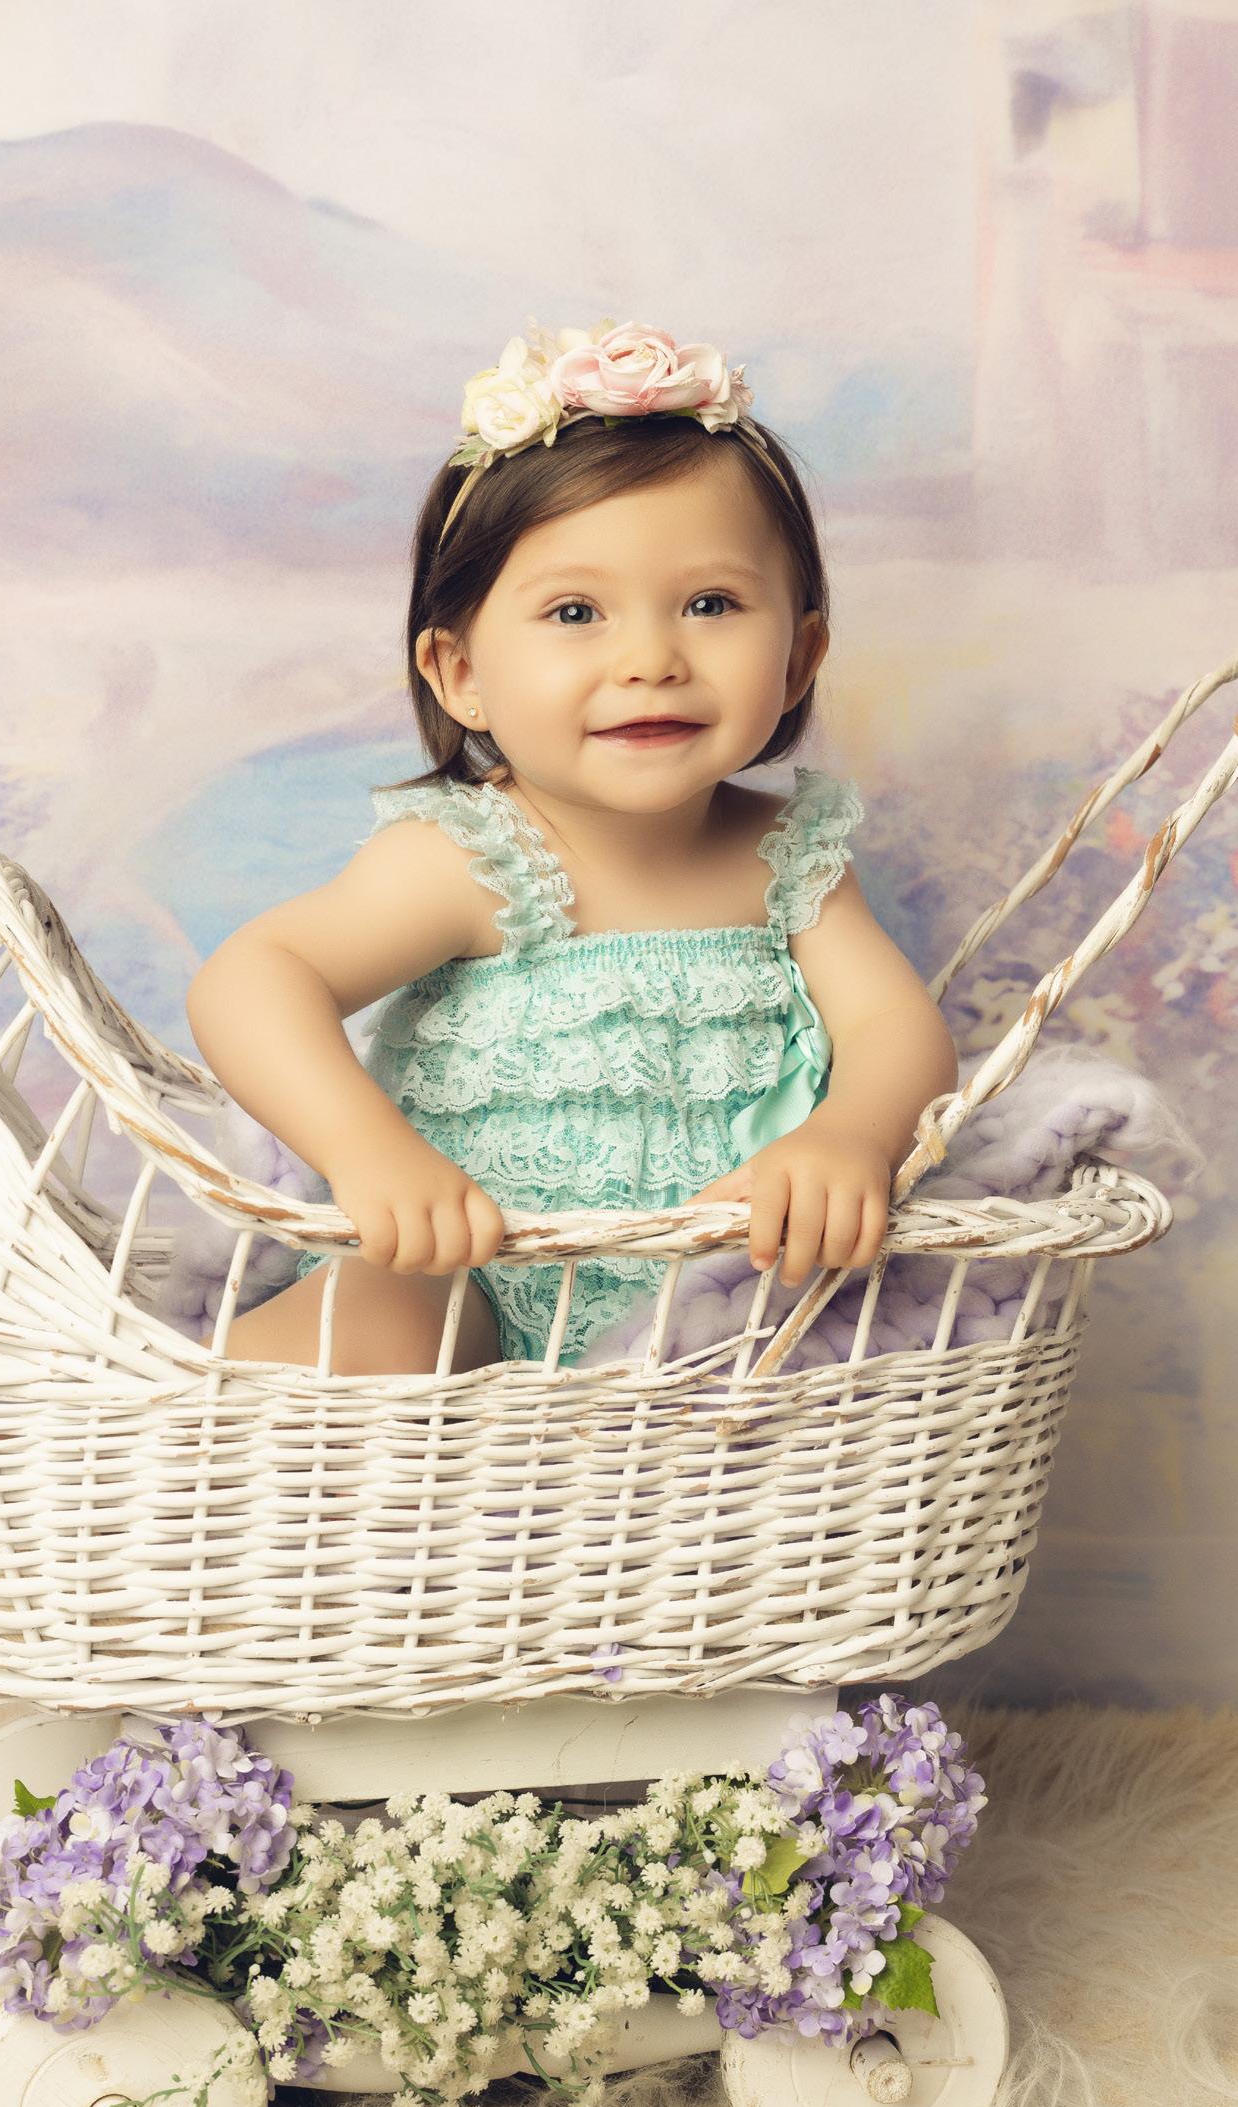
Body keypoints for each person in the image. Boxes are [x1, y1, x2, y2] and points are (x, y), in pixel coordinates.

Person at [183, 318, 957, 1375]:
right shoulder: (472, 859)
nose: (650, 658)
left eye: (711, 603)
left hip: (700, 1316)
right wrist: (368, 1153)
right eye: (576, 611)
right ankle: (173, 1431)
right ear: (461, 675)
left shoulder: (787, 855)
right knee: (388, 1317)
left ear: (797, 658)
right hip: (472, 1271)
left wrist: (848, 1137)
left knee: (847, 1337)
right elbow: (256, 977)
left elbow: (891, 1024)